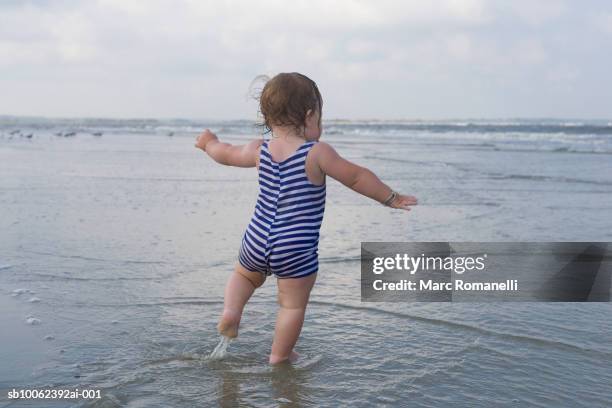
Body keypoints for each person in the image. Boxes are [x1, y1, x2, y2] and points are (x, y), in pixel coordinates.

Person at [194, 72, 417, 364]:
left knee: (243, 275)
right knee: (291, 306)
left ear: (267, 116)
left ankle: (232, 313)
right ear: (310, 116)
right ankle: (279, 356)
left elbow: (224, 153)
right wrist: (390, 197)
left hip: (257, 237)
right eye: (320, 119)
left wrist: (209, 142)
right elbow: (356, 177)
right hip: (295, 246)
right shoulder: (316, 153)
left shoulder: (259, 149)